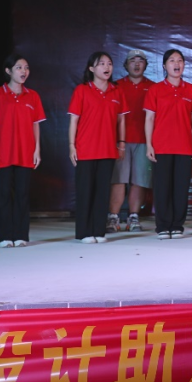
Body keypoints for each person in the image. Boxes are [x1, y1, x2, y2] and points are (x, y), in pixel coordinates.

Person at [0, 54, 45, 247]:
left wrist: (37, 150)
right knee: (3, 194)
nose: (24, 71)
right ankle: (3, 236)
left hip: (25, 152)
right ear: (8, 71)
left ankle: (20, 235)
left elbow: (35, 124)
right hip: (3, 151)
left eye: (26, 67)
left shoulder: (33, 96)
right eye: (19, 67)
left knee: (22, 194)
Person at [68, 51, 127, 244]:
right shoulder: (82, 90)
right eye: (101, 64)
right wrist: (72, 146)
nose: (106, 67)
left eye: (109, 63)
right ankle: (84, 232)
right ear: (91, 68)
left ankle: (98, 230)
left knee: (102, 191)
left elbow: (121, 120)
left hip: (107, 149)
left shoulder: (116, 91)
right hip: (85, 149)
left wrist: (121, 144)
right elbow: (74, 121)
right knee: (85, 191)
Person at [144, 49, 192, 239]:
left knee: (181, 187)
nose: (176, 64)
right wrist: (149, 144)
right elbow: (149, 119)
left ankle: (177, 224)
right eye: (172, 60)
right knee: (162, 187)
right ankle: (162, 225)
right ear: (164, 66)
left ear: (184, 65)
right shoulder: (155, 90)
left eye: (180, 60)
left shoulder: (191, 90)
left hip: (184, 145)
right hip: (161, 145)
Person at [109, 50, 154, 233]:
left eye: (140, 61)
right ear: (126, 65)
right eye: (132, 61)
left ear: (146, 65)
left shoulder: (153, 87)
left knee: (139, 180)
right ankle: (113, 216)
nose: (136, 64)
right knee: (119, 179)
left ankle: (133, 216)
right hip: (121, 141)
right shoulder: (116, 86)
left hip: (144, 141)